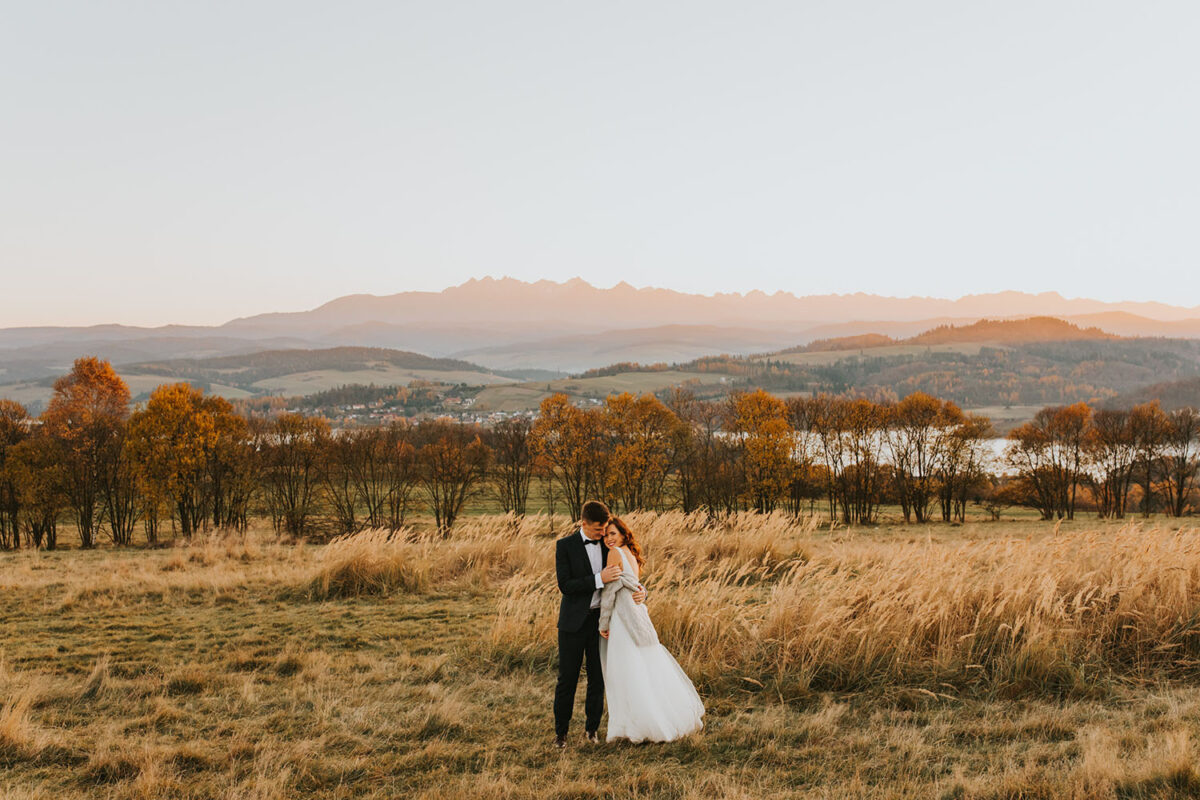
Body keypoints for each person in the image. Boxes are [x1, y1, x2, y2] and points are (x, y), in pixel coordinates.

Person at [598, 516, 704, 743]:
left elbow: (609, 593)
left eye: (613, 534)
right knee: (643, 667)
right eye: (606, 535)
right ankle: (658, 717)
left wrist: (603, 623)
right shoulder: (631, 555)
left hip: (622, 617)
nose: (608, 539)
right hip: (637, 615)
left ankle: (636, 725)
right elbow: (635, 585)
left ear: (623, 534)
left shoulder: (614, 553)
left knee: (625, 671)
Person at [553, 500, 645, 749]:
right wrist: (598, 579)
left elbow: (629, 575)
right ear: (583, 523)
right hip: (573, 623)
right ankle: (561, 734)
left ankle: (591, 729)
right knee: (567, 679)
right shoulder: (565, 546)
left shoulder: (609, 545)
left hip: (603, 623)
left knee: (598, 678)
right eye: (597, 530)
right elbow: (566, 585)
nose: (603, 534)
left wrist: (642, 591)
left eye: (605, 529)